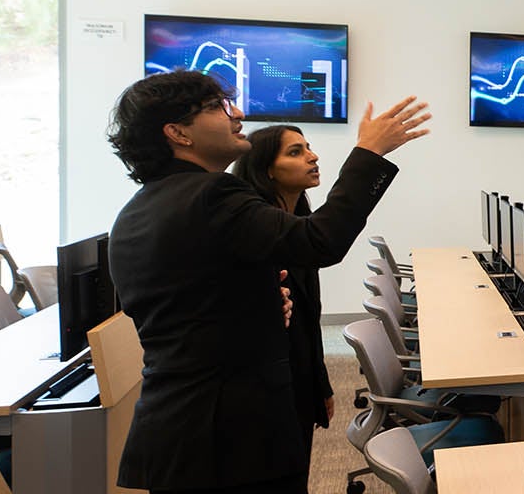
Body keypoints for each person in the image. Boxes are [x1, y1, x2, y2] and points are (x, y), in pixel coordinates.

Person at [106, 70, 429, 493]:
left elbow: (189, 306)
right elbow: (320, 242)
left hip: (185, 432)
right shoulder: (211, 195)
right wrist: (369, 151)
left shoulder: (141, 208)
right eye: (218, 107)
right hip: (229, 437)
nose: (237, 113)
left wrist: (254, 301)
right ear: (177, 133)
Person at [230, 125, 335, 461]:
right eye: (295, 151)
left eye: (308, 147)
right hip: (265, 396)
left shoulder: (298, 226)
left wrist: (321, 385)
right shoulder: (259, 234)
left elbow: (308, 323)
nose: (312, 156)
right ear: (266, 171)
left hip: (298, 383)